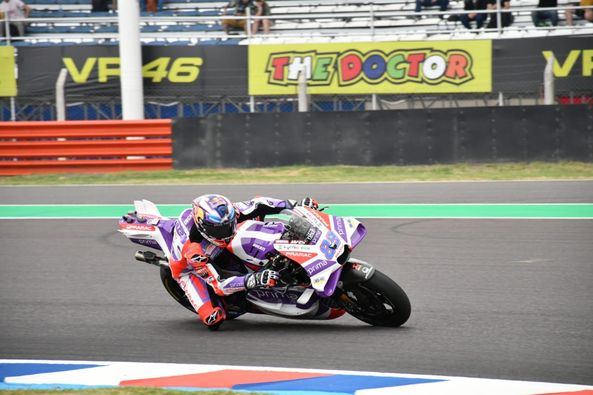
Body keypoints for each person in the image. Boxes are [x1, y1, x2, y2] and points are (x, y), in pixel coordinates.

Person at [169, 194, 320, 329]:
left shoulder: (230, 213)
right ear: (204, 228)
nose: (227, 232)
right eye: (220, 230)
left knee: (257, 218)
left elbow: (259, 203)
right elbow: (220, 285)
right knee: (213, 319)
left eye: (229, 225)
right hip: (189, 270)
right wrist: (253, 279)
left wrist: (296, 205)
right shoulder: (194, 253)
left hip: (217, 247)